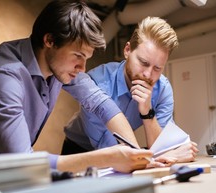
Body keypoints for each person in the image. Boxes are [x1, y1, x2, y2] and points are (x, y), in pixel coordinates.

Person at [0, 0, 155, 174]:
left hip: (6, 171)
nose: (82, 69)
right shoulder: (4, 76)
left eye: (86, 59)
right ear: (50, 40)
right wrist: (107, 158)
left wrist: (135, 155)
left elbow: (102, 105)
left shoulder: (60, 66)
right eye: (78, 56)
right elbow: (22, 161)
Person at [62, 16, 198, 163]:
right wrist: (159, 156)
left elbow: (162, 148)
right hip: (79, 148)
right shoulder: (98, 82)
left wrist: (147, 112)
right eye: (144, 63)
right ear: (127, 50)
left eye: (157, 68)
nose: (148, 74)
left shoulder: (162, 89)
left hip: (124, 148)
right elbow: (106, 148)